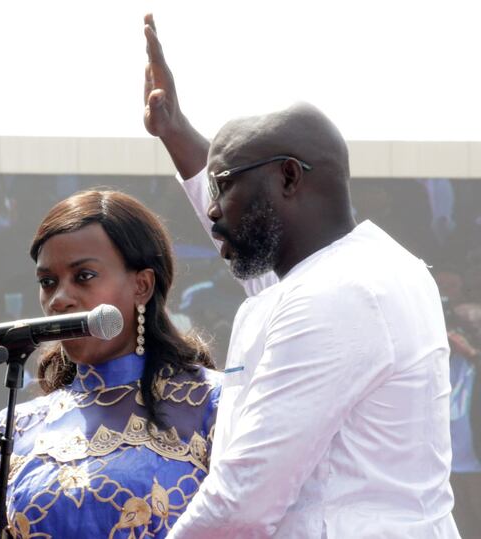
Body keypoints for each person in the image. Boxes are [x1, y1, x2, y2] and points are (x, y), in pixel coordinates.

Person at [142, 13, 458, 538]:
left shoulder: (337, 295)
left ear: (288, 176)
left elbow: (242, 504)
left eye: (225, 188)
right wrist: (175, 132)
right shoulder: (359, 270)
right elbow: (269, 284)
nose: (214, 211)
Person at [0, 190, 220, 538]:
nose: (59, 299)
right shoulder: (15, 427)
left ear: (142, 285)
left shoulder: (215, 405)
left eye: (84, 276)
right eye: (48, 283)